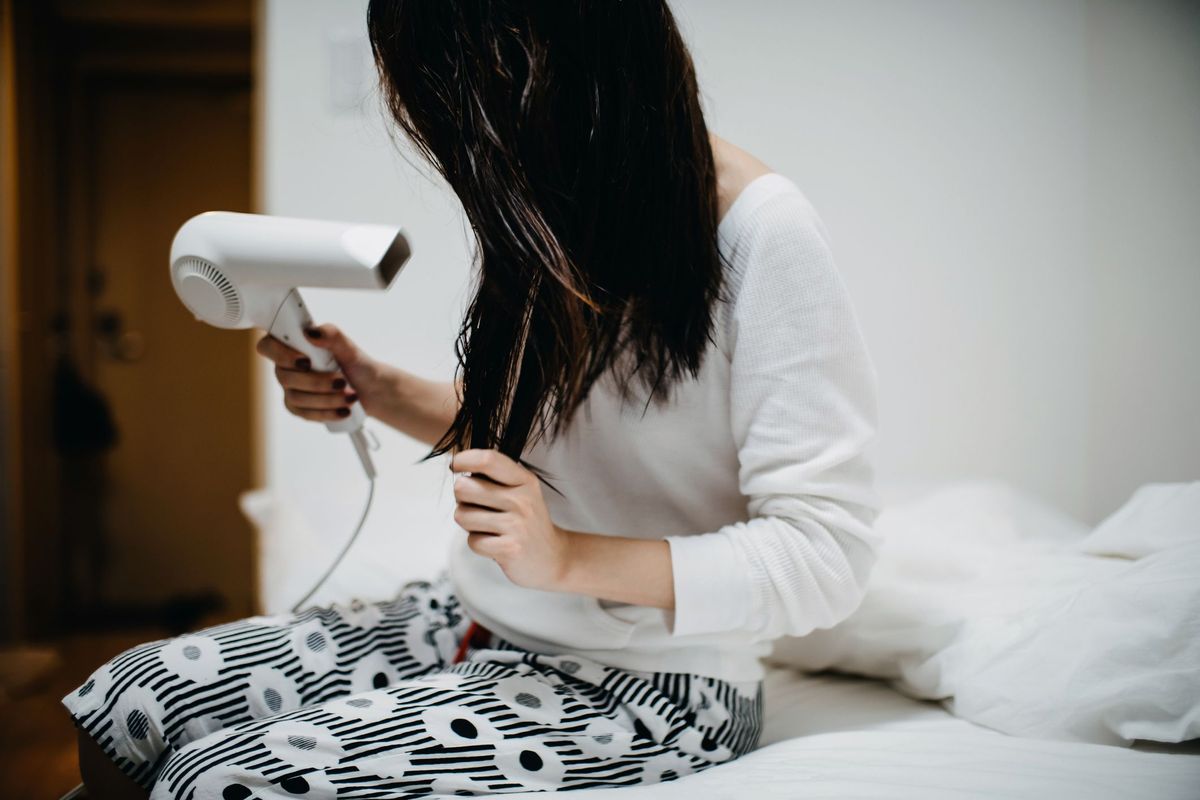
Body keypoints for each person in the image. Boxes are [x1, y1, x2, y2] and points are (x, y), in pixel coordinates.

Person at [63, 1, 881, 797]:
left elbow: (825, 555)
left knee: (220, 781)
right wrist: (378, 390)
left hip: (646, 684)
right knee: (126, 702)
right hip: (465, 617)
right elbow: (550, 424)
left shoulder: (765, 235)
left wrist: (565, 558)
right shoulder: (559, 207)